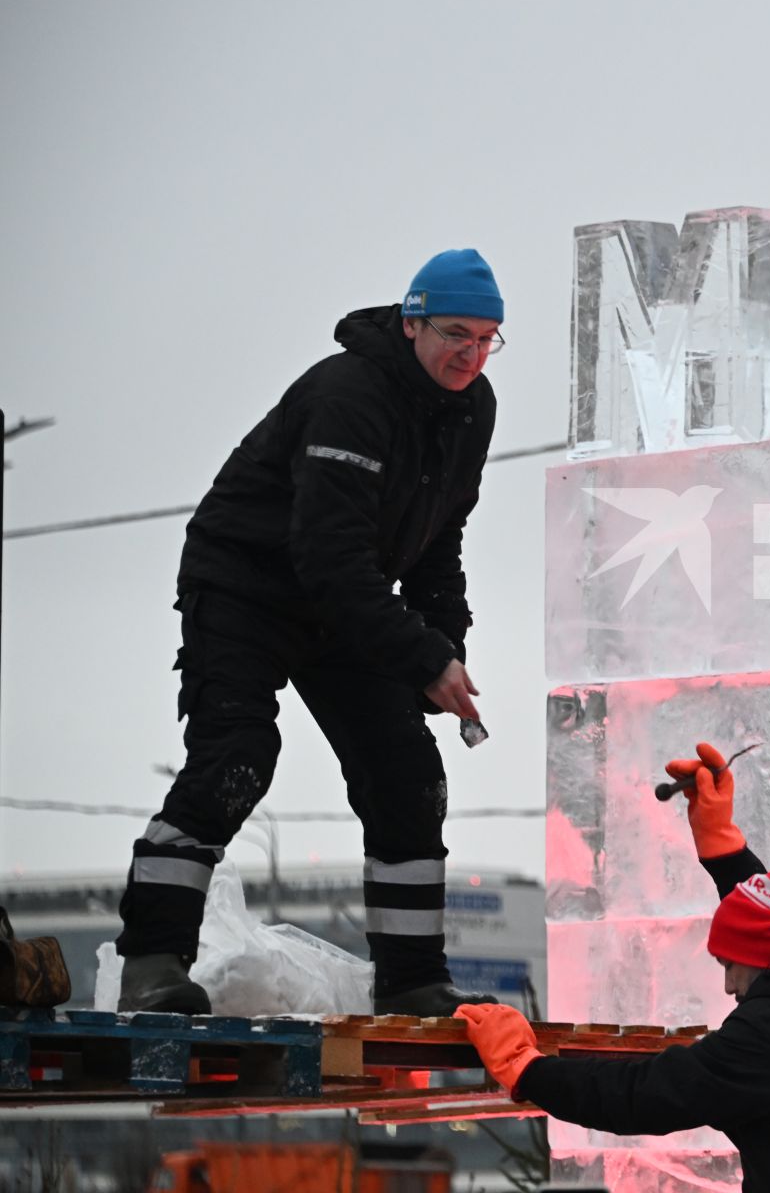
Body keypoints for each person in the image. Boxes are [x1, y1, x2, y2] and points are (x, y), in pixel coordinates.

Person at [114, 249, 506, 1018]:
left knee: (407, 773)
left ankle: (411, 978)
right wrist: (418, 654)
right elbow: (328, 556)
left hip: (346, 602)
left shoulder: (472, 407)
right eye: (457, 333)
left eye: (489, 337)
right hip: (247, 583)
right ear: (411, 323)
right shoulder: (349, 394)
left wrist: (444, 646)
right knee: (237, 757)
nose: (471, 352)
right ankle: (153, 963)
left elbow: (437, 546)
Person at [459, 743, 770, 1192]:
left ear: (760, 959)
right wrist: (723, 847)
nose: (727, 985)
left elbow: (639, 1096)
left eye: (728, 965)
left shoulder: (767, 1043)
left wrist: (528, 1069)